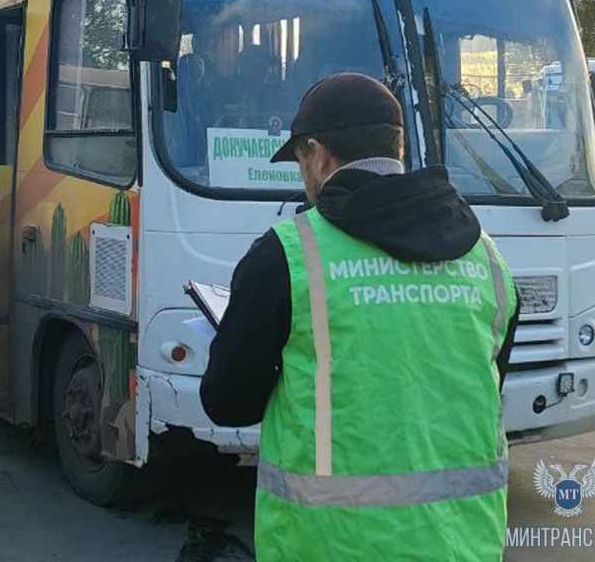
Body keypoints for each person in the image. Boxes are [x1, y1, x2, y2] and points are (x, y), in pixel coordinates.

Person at [200, 73, 520, 561]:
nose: (303, 176)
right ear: (401, 148)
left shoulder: (286, 256)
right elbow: (476, 389)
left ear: (319, 154)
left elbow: (227, 403)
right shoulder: (487, 259)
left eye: (301, 161)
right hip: (464, 544)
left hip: (328, 545)